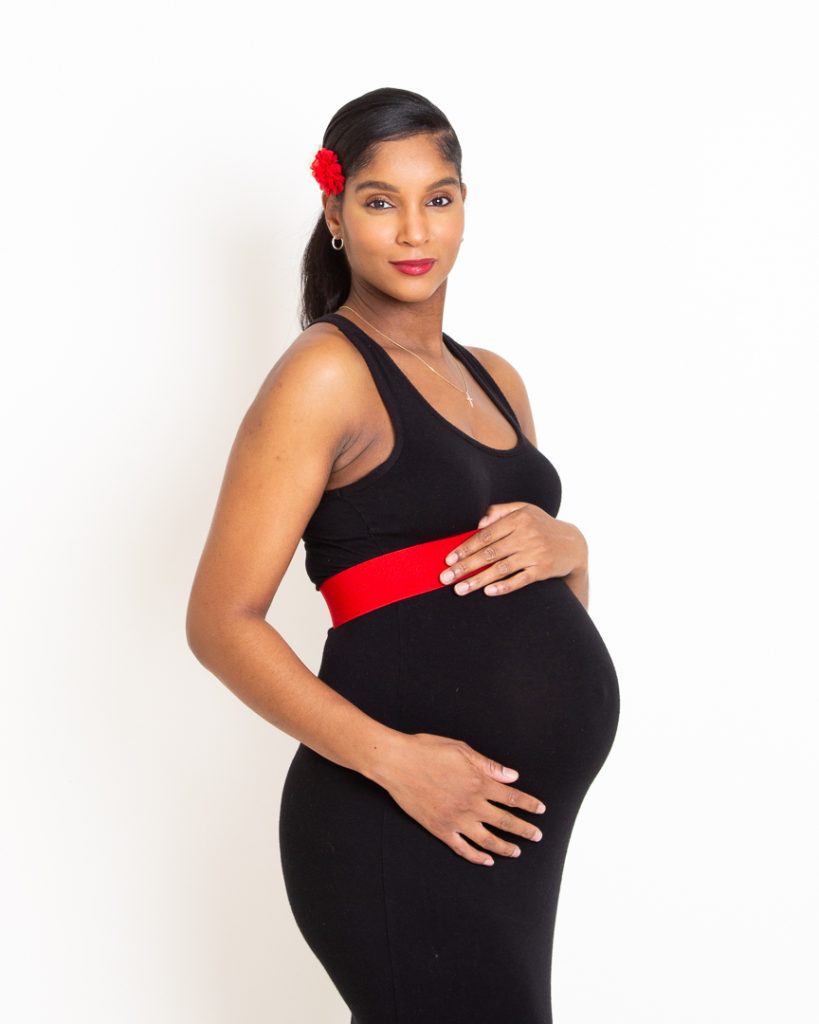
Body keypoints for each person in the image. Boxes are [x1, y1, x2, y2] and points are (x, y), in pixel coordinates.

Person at [186, 85, 620, 1024]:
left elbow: (529, 611)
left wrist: (571, 547)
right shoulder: (325, 373)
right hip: (395, 822)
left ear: (464, 207)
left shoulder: (494, 379)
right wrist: (396, 764)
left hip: (506, 831)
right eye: (381, 201)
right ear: (335, 214)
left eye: (439, 198)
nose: (414, 230)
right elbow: (219, 623)